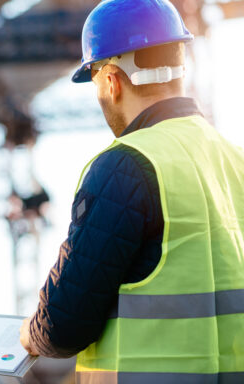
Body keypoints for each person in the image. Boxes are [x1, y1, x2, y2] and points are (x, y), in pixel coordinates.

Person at [19, 0, 244, 382]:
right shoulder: (234, 159)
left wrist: (29, 334)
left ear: (111, 80)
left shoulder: (125, 165)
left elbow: (62, 327)